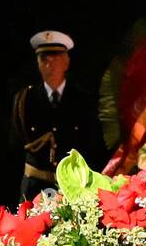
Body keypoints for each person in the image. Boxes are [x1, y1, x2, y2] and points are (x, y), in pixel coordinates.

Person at [10, 30, 105, 202]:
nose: (50, 65)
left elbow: (95, 147)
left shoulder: (84, 100)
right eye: (44, 59)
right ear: (38, 63)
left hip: (74, 189)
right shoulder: (24, 99)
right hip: (34, 188)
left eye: (56, 58)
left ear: (66, 61)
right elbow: (15, 146)